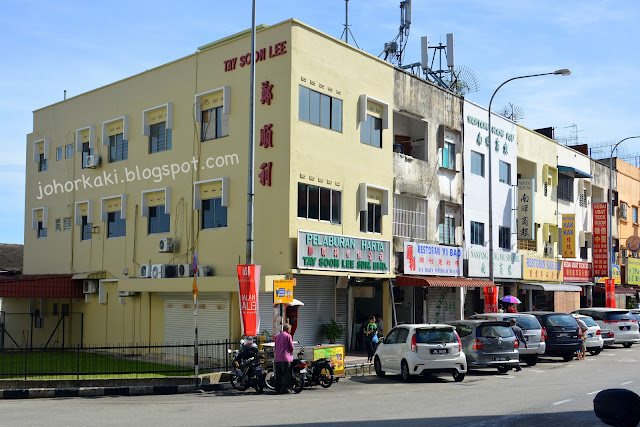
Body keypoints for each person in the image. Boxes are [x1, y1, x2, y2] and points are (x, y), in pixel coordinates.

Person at [274, 323, 294, 394]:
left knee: (279, 375)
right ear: (288, 329)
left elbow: (275, 347)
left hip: (278, 358)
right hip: (285, 358)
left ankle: (278, 389)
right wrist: (291, 353)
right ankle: (284, 388)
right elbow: (291, 347)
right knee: (287, 374)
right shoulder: (288, 336)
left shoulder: (278, 337)